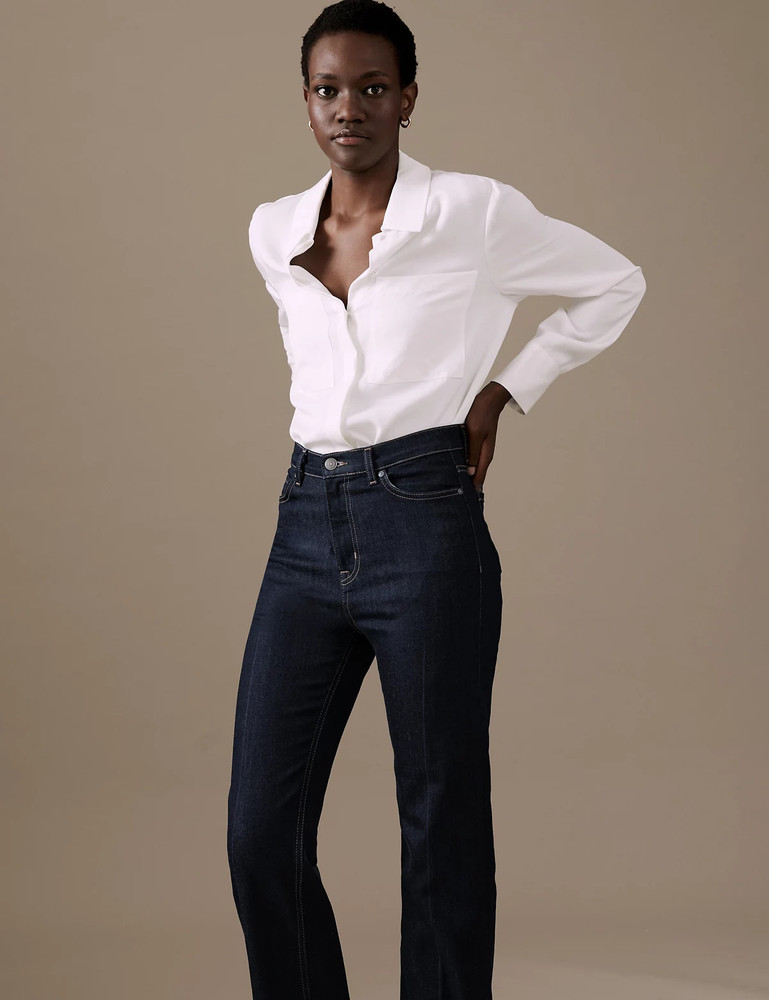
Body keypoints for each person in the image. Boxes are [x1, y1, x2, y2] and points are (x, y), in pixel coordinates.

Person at [226, 2, 646, 998]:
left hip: (422, 517)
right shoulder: (271, 230)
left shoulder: (473, 212)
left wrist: (505, 389)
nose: (349, 108)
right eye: (328, 89)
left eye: (373, 88)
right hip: (303, 522)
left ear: (407, 99)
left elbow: (615, 282)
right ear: (305, 101)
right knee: (259, 830)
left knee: (438, 817)